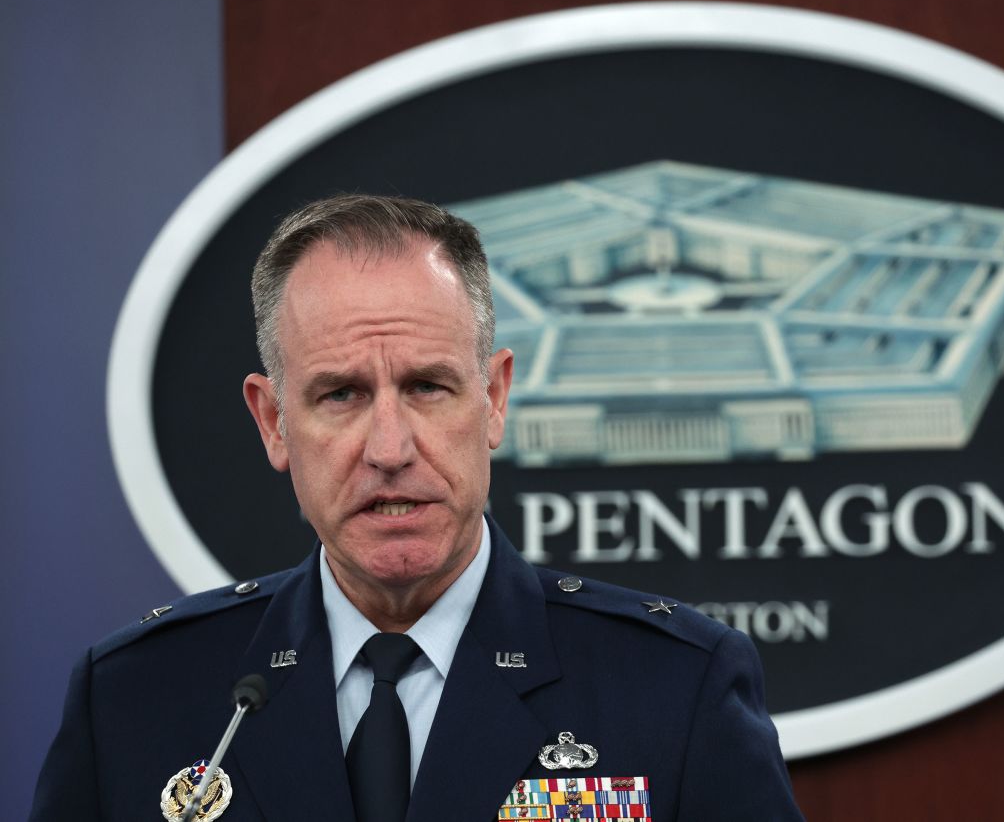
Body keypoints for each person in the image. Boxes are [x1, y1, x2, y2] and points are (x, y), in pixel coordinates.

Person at [30, 194, 804, 821]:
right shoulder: (134, 699)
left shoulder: (673, 688)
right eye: (342, 394)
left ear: (494, 399)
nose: (390, 446)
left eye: (428, 387)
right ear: (273, 422)